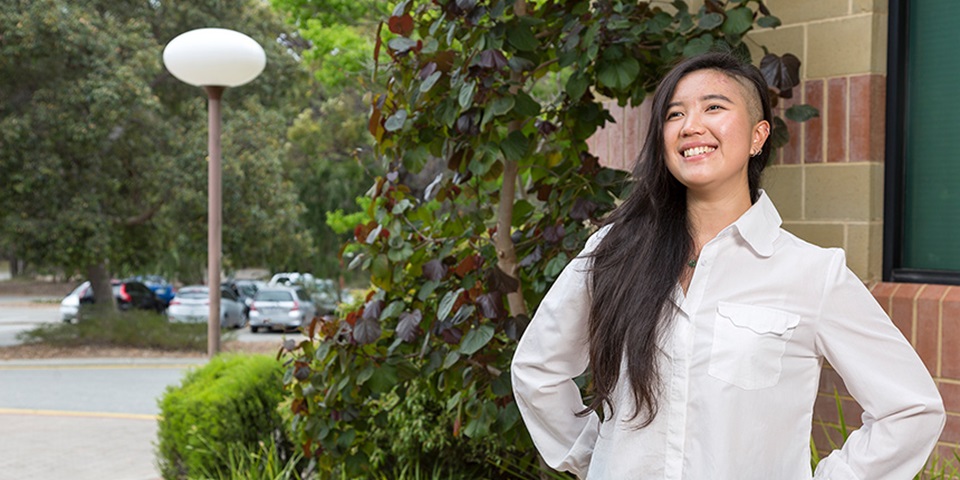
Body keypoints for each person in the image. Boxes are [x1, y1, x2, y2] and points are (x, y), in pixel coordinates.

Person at [511, 52, 945, 480]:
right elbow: (538, 370)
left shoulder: (812, 273)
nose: (691, 126)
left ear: (758, 136)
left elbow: (911, 409)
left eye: (714, 107)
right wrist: (600, 461)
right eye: (674, 114)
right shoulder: (614, 252)